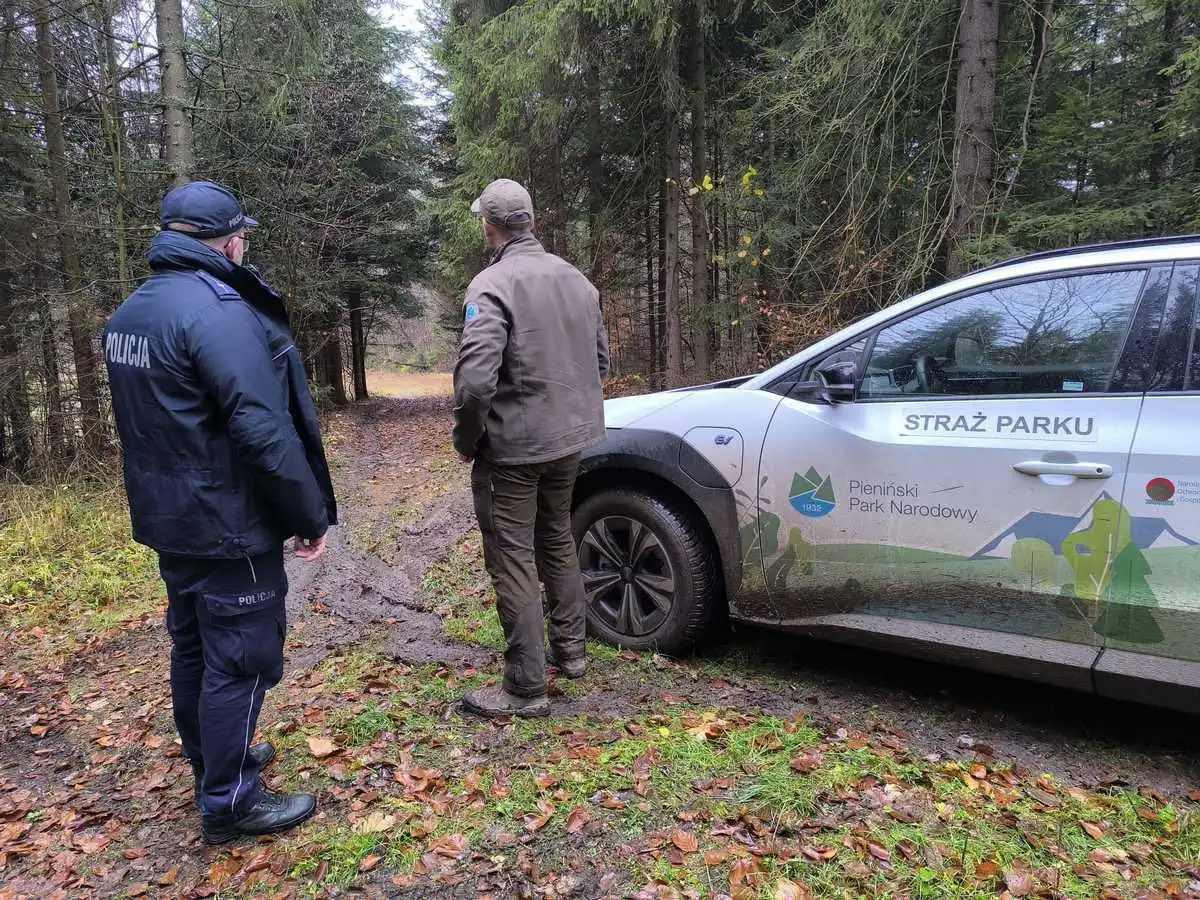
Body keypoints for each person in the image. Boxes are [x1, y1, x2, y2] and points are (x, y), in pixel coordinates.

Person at [104, 180, 337, 844]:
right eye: (243, 237)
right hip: (225, 520)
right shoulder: (218, 312)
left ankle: (215, 761)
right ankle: (231, 800)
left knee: (194, 646)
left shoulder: (130, 315)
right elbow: (261, 430)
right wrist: (307, 512)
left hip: (169, 518)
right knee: (240, 656)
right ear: (228, 242)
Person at [453, 178, 610, 718]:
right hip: (570, 442)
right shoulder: (577, 280)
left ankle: (524, 685)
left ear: (488, 226)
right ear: (532, 222)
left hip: (514, 450)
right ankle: (571, 652)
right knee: (557, 538)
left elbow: (475, 383)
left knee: (514, 555)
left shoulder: (491, 285)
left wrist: (468, 438)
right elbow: (600, 362)